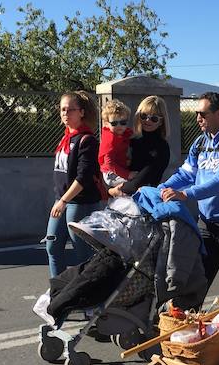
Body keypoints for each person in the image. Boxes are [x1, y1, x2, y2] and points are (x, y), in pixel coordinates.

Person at [158, 92, 219, 292]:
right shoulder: (201, 142)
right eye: (197, 113)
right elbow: (185, 174)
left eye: (202, 114)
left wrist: (186, 195)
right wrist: (162, 189)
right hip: (206, 224)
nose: (197, 118)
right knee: (197, 280)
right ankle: (190, 321)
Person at [46, 91, 103, 278]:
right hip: (62, 200)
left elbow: (83, 178)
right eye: (62, 109)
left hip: (80, 202)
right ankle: (58, 292)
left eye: (70, 109)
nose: (65, 113)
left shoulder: (87, 140)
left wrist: (63, 200)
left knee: (83, 253)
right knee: (52, 246)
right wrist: (61, 200)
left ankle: (86, 294)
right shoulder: (65, 138)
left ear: (82, 112)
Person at [109, 95, 171, 197]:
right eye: (143, 115)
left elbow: (138, 183)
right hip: (121, 198)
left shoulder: (161, 148)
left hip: (143, 201)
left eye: (154, 118)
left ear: (161, 122)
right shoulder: (131, 140)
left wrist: (111, 191)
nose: (147, 120)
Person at [98, 99, 134, 188]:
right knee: (134, 184)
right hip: (111, 174)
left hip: (117, 170)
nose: (119, 126)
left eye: (123, 122)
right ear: (106, 123)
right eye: (114, 123)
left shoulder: (121, 134)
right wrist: (127, 174)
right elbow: (109, 163)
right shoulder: (110, 139)